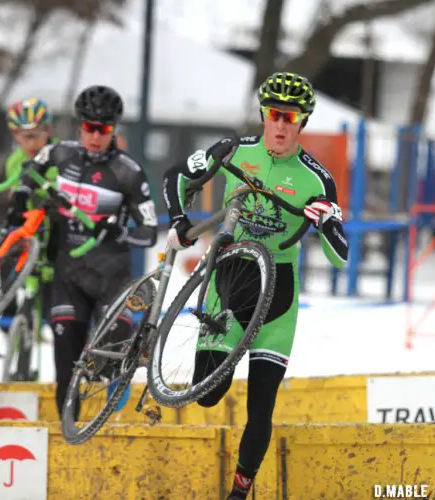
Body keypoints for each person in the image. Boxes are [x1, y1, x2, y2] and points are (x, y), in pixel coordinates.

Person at [162, 71, 349, 500]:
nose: (282, 125)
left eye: (292, 118)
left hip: (279, 292)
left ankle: (239, 492)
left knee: (261, 405)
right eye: (275, 114)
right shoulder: (233, 151)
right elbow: (176, 177)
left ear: (302, 122)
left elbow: (342, 253)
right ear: (264, 114)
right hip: (229, 280)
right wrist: (178, 220)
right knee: (208, 395)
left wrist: (326, 223)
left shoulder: (316, 179)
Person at [6, 85, 158, 416]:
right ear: (80, 126)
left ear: (114, 129)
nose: (95, 135)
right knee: (66, 370)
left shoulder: (127, 172)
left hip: (111, 278)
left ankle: (116, 372)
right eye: (89, 127)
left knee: (104, 359)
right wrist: (20, 196)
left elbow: (149, 231)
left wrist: (118, 230)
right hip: (68, 276)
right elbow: (29, 171)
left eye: (103, 128)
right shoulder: (61, 153)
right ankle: (68, 443)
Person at [0, 97, 61, 335]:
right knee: (6, 263)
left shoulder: (62, 154)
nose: (31, 142)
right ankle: (10, 324)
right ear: (15, 136)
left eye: (36, 134)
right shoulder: (15, 161)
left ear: (48, 130)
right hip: (30, 225)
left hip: (57, 225)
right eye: (24, 136)